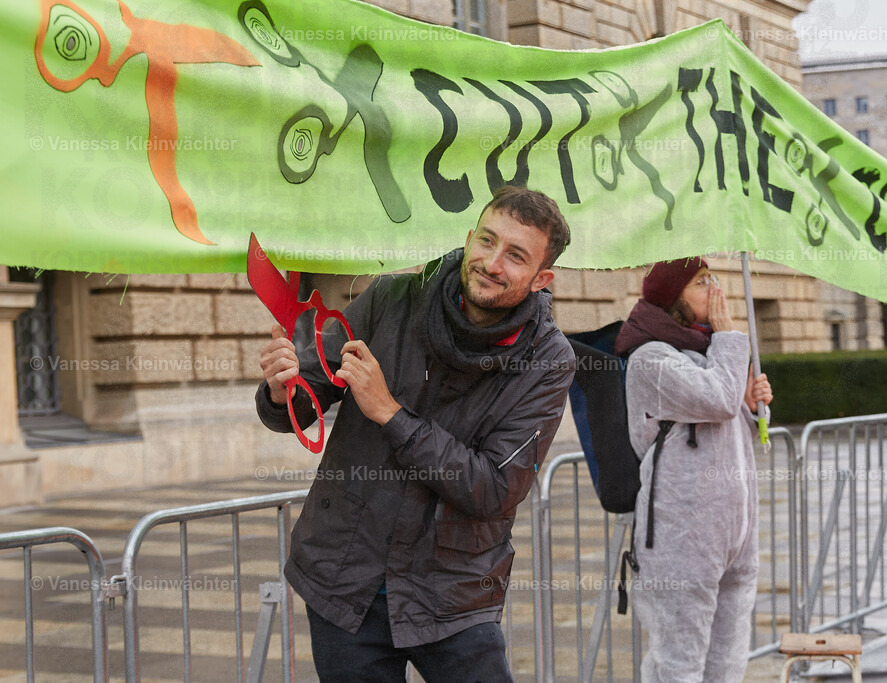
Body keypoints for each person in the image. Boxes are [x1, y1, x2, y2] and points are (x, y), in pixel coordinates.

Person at [255, 186, 574, 682]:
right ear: (468, 238)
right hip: (343, 582)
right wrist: (281, 390)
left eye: (516, 256)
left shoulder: (548, 360)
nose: (492, 262)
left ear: (541, 278)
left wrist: (390, 413)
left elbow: (492, 488)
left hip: (453, 594)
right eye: (486, 241)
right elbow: (307, 395)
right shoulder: (392, 298)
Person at [615, 257, 773, 683]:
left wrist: (753, 405)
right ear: (673, 298)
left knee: (727, 661)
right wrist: (729, 344)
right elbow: (717, 400)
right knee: (680, 662)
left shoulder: (708, 352)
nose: (716, 288)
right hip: (683, 536)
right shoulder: (651, 358)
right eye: (703, 281)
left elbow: (733, 418)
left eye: (714, 278)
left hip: (733, 534)